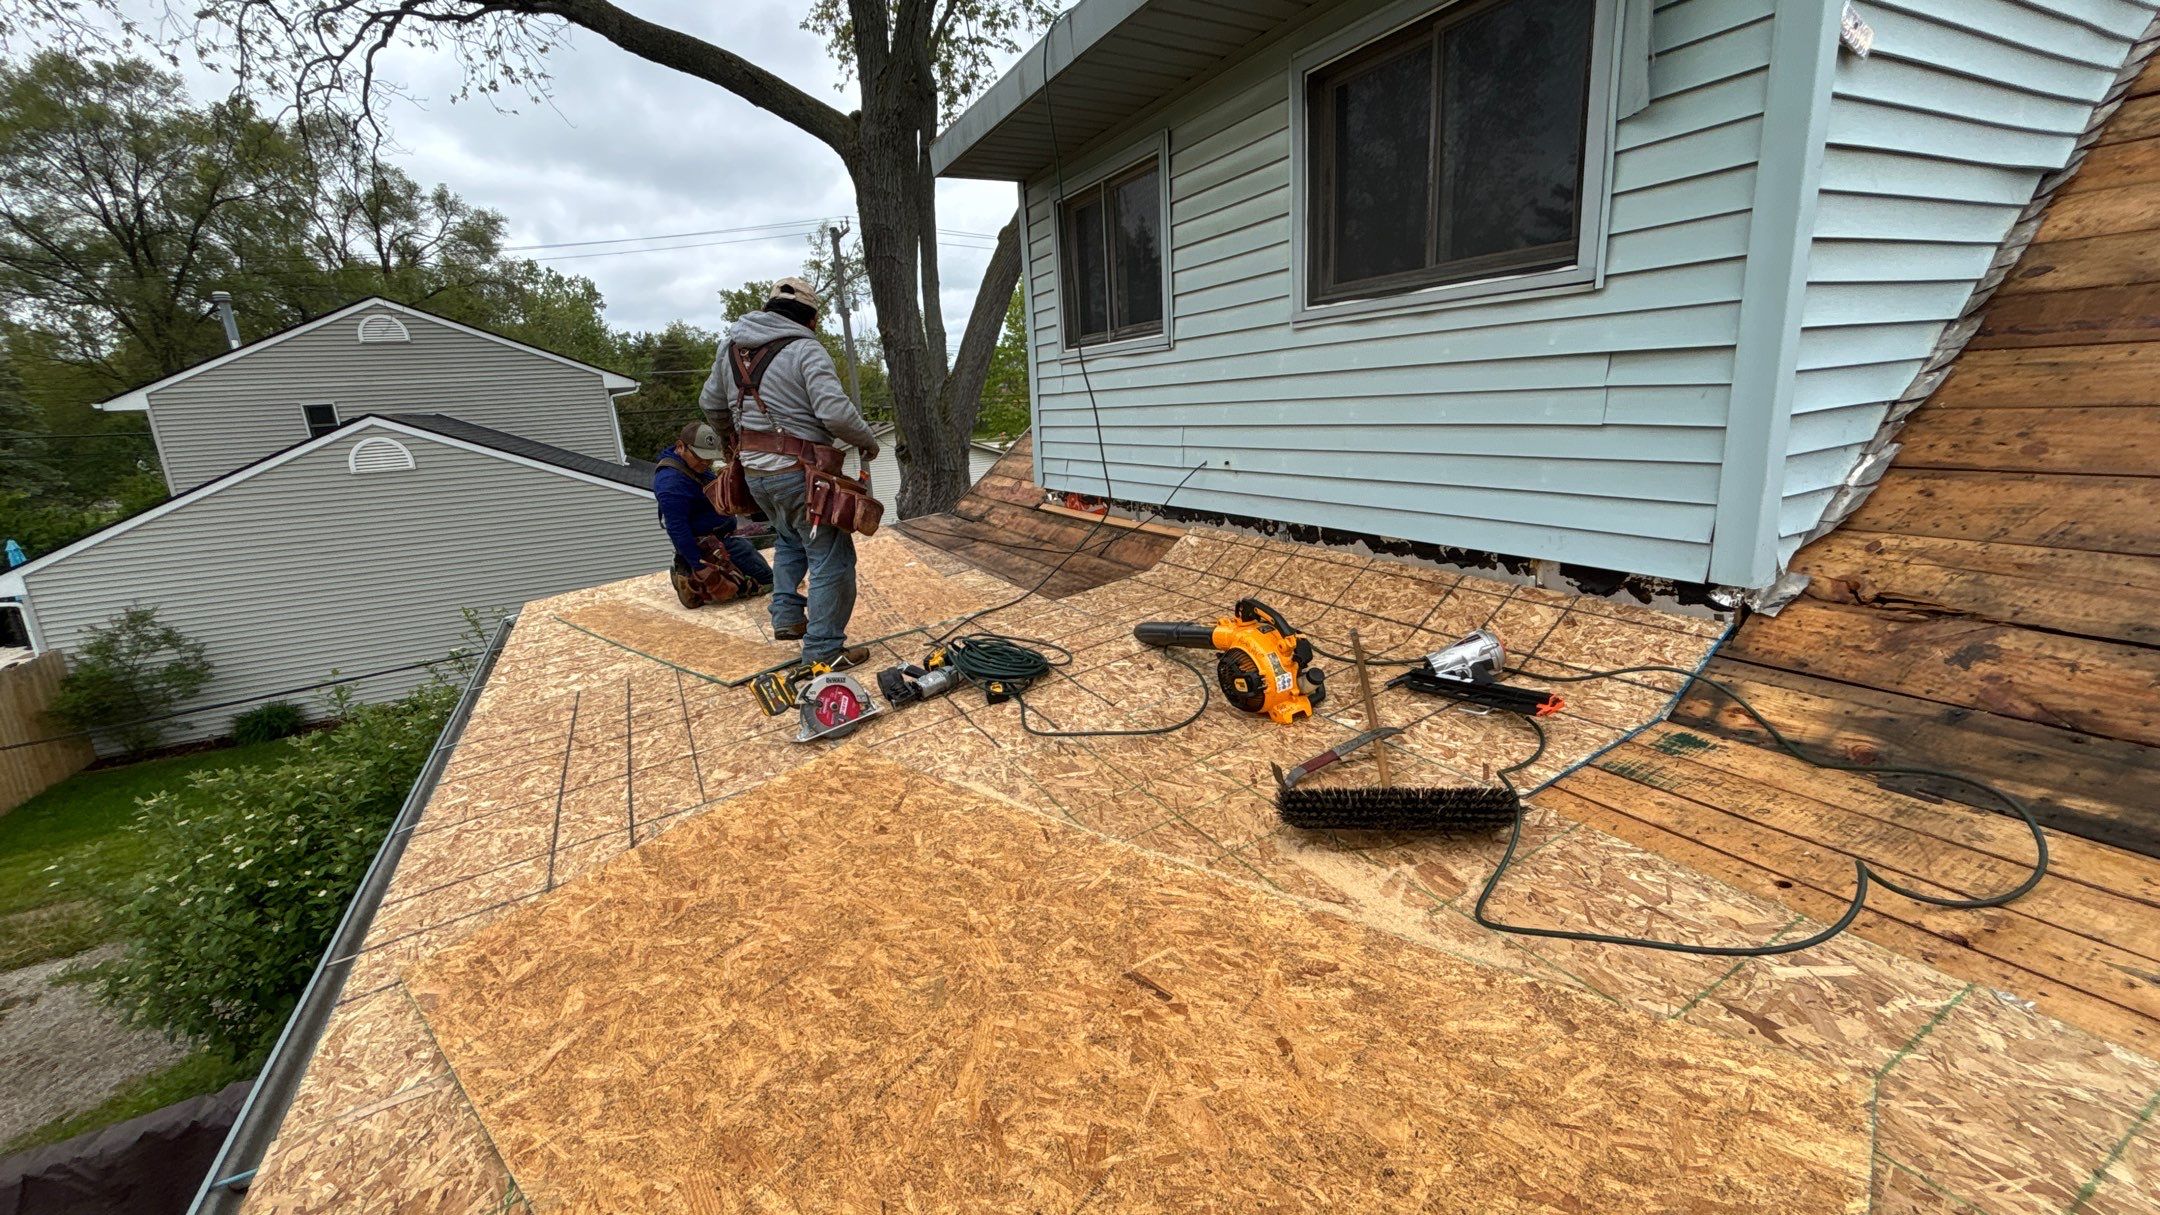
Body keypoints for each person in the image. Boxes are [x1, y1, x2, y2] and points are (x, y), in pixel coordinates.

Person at [700, 277, 880, 665]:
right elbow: (834, 412)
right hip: (801, 474)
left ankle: (785, 616)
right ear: (812, 319)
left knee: (788, 537)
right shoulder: (804, 349)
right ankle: (823, 651)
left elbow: (710, 403)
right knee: (831, 558)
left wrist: (733, 440)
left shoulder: (730, 349)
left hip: (755, 475)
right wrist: (867, 440)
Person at [653, 421, 773, 608]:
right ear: (680, 447)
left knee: (747, 557)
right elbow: (677, 529)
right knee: (767, 580)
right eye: (701, 458)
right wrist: (701, 568)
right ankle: (693, 578)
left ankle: (690, 574)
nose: (706, 463)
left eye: (709, 458)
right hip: (711, 546)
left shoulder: (691, 467)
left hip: (721, 538)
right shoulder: (671, 484)